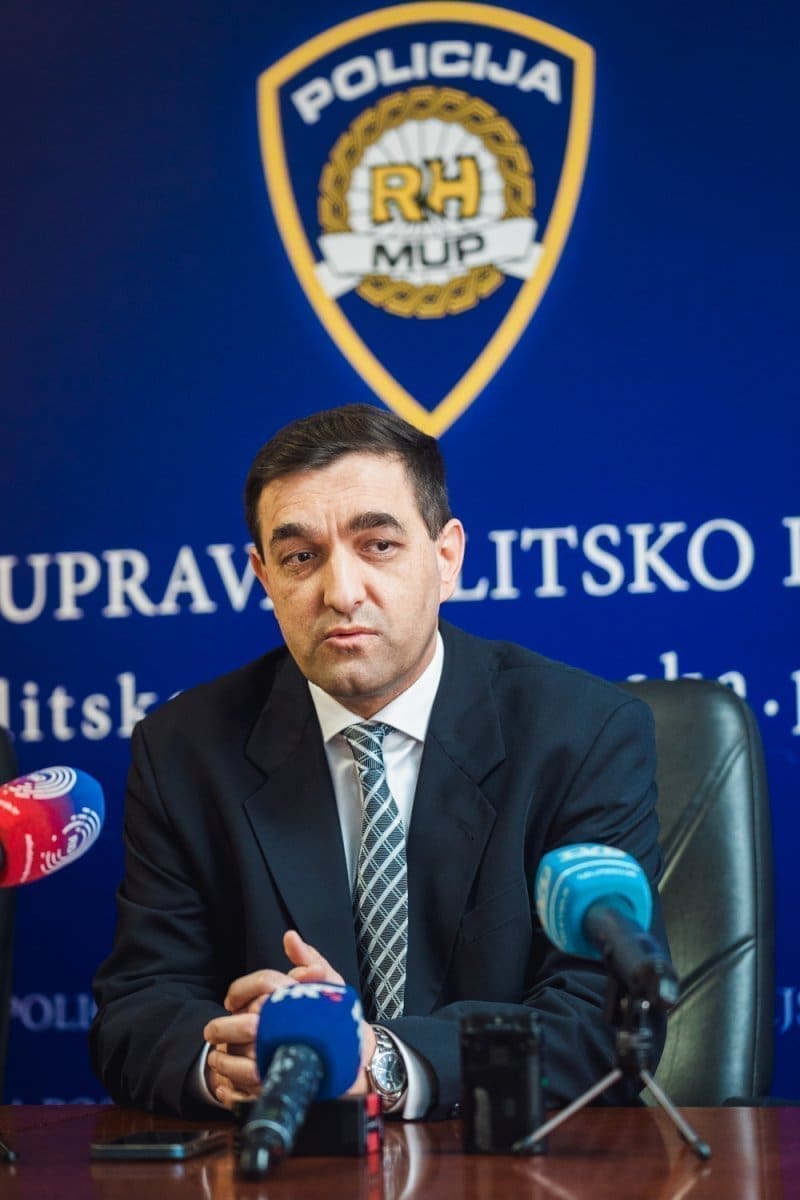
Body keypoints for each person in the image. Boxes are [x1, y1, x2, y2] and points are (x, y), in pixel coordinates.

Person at [90, 403, 667, 1119]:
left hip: (510, 1157)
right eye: (301, 557)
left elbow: (601, 1013)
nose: (340, 592)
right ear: (264, 578)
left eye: (379, 545)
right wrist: (225, 1063)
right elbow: (139, 1007)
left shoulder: (581, 734)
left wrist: (385, 1062)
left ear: (446, 557)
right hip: (284, 1158)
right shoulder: (184, 749)